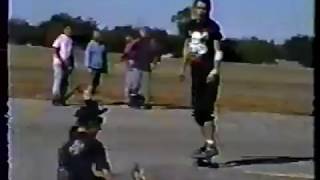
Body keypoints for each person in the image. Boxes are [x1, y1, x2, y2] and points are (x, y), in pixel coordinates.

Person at [179, 0, 224, 160]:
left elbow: (218, 50)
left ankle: (210, 146)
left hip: (209, 73)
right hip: (196, 72)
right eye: (199, 8)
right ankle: (208, 144)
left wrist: (215, 70)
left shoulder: (213, 28)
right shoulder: (189, 26)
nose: (201, 11)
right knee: (197, 112)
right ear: (194, 9)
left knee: (206, 110)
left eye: (204, 8)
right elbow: (187, 48)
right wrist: (183, 68)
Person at [127, 28, 160, 109]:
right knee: (135, 85)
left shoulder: (152, 42)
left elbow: (156, 53)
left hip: (146, 66)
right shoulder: (137, 41)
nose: (143, 34)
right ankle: (134, 101)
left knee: (145, 86)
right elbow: (129, 50)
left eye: (145, 32)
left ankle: (145, 102)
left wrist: (154, 63)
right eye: (142, 32)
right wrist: (130, 60)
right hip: (137, 65)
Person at [52, 25, 74, 106]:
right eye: (67, 30)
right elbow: (55, 49)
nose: (69, 32)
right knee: (58, 80)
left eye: (70, 30)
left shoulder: (70, 40)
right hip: (58, 62)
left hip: (67, 64)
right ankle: (56, 99)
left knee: (65, 81)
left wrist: (71, 64)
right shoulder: (61, 38)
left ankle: (62, 98)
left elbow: (70, 53)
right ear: (64, 30)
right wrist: (61, 60)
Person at [83, 30, 108, 100]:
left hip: (99, 67)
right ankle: (87, 95)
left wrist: (105, 68)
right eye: (96, 36)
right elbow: (87, 55)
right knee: (91, 82)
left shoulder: (102, 45)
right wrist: (88, 66)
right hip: (92, 66)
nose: (98, 37)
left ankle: (91, 95)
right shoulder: (91, 44)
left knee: (96, 82)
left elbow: (104, 57)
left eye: (99, 36)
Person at [121, 34, 139, 103]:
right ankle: (128, 98)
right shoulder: (128, 46)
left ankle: (133, 98)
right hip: (130, 64)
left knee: (135, 83)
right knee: (129, 83)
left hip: (135, 64)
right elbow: (125, 56)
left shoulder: (136, 47)